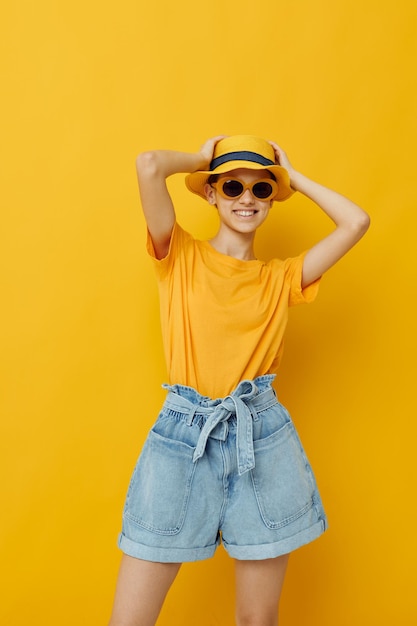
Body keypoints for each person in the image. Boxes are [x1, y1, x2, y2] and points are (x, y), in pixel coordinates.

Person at [108, 135, 370, 626]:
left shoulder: (281, 278)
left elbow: (356, 222)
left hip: (262, 439)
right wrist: (202, 160)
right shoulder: (179, 254)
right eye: (231, 186)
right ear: (210, 194)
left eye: (261, 189)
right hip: (184, 434)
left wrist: (293, 177)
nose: (246, 198)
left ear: (272, 198)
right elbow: (148, 164)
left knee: (257, 620)